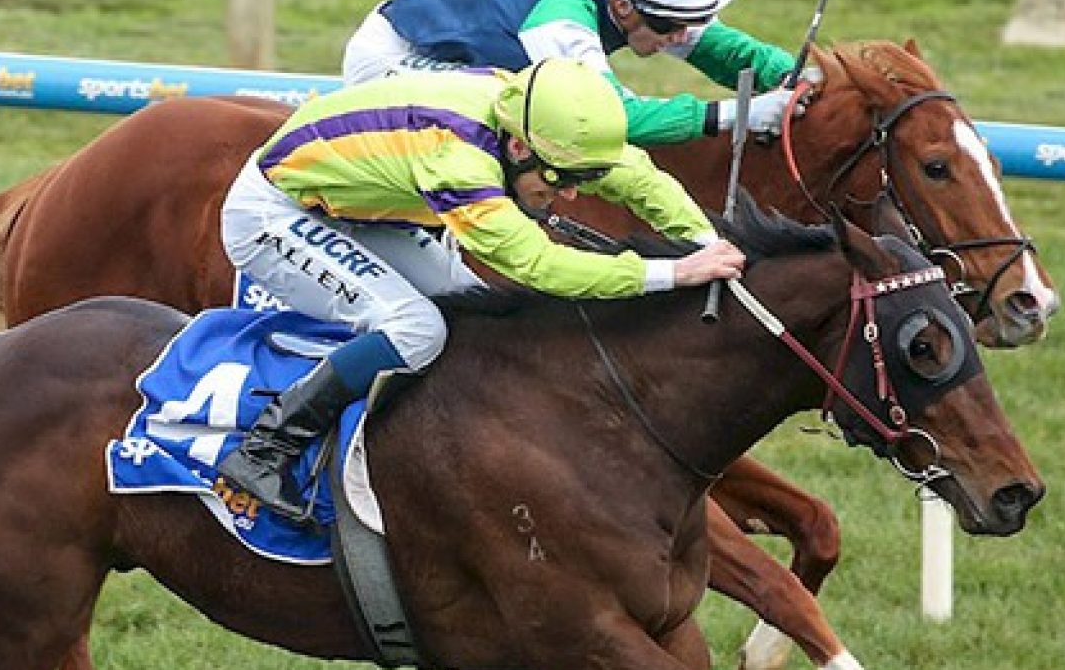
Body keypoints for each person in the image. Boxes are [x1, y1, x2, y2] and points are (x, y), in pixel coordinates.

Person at [215, 57, 745, 522]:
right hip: (275, 212)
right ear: (517, 146)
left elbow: (640, 178)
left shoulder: (545, 126)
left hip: (361, 203)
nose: (570, 193)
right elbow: (537, 267)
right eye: (559, 179)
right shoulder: (458, 160)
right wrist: (673, 274)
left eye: (581, 179)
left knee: (480, 321)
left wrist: (705, 241)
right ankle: (265, 449)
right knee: (417, 330)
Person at [342, 0, 805, 147]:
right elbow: (609, 119)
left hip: (467, 47)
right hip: (393, 58)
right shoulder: (561, 14)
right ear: (622, 6)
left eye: (695, 22)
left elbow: (729, 52)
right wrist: (736, 115)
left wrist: (803, 76)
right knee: (538, 124)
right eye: (670, 27)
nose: (683, 37)